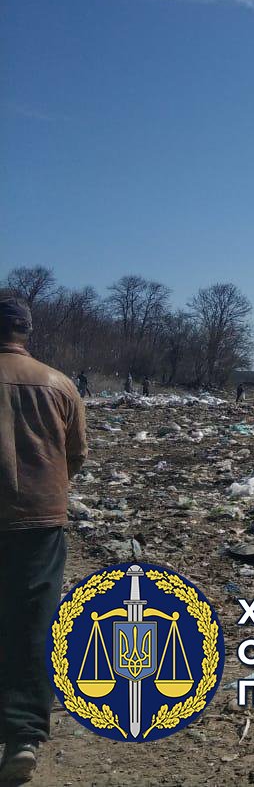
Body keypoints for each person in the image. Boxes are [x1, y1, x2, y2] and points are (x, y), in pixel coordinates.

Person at [0, 297, 87, 783]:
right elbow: (75, 454)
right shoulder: (58, 383)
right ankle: (24, 736)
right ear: (26, 331)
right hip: (39, 518)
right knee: (33, 621)